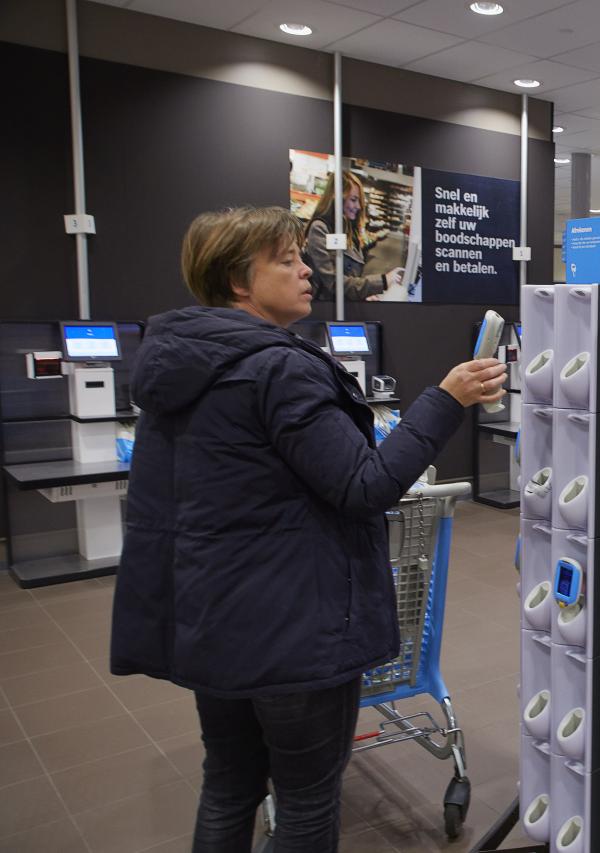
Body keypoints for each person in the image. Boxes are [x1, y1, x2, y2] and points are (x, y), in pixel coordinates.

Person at [109, 206, 506, 852]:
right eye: (287, 260)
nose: (308, 271)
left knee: (230, 784)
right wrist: (447, 399)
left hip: (213, 622)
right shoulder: (279, 369)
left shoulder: (179, 367)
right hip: (294, 631)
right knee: (306, 802)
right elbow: (365, 485)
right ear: (241, 281)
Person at [303, 171, 403, 301]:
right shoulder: (320, 229)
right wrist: (382, 281)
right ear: (337, 198)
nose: (359, 206)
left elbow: (348, 277)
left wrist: (364, 294)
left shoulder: (349, 231)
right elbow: (334, 283)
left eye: (359, 201)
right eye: (354, 200)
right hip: (326, 310)